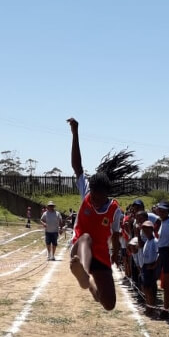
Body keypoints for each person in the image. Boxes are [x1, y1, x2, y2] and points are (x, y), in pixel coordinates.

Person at [67, 117, 125, 311]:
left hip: (100, 254)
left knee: (109, 304)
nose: (95, 201)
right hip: (80, 247)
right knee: (86, 237)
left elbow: (116, 235)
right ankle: (82, 270)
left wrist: (116, 254)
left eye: (100, 198)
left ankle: (88, 284)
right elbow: (77, 166)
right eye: (93, 196)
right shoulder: (86, 193)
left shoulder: (115, 210)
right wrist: (75, 134)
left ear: (107, 195)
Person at [139, 220, 158, 316]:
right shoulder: (147, 241)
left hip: (151, 266)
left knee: (149, 288)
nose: (145, 231)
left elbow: (159, 254)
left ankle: (151, 307)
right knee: (145, 287)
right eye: (144, 229)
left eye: (147, 229)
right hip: (145, 266)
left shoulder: (155, 241)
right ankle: (148, 305)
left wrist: (154, 265)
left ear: (152, 229)